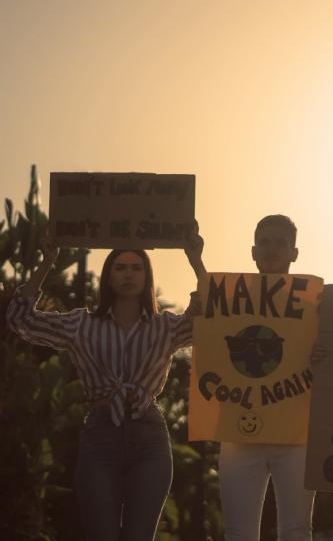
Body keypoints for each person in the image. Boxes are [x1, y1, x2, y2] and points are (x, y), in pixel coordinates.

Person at [6, 225, 206, 541]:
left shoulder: (165, 327)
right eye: (121, 267)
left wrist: (196, 260)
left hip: (149, 435)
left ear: (147, 277)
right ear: (109, 277)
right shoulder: (80, 323)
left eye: (137, 268)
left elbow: (210, 319)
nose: (129, 274)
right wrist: (47, 262)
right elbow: (21, 320)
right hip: (100, 433)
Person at [219, 214, 315, 541]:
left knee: (297, 530)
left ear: (294, 253)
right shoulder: (226, 302)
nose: (272, 249)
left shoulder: (315, 304)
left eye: (280, 243)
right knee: (238, 532)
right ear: (253, 251)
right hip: (239, 431)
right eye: (265, 243)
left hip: (296, 433)